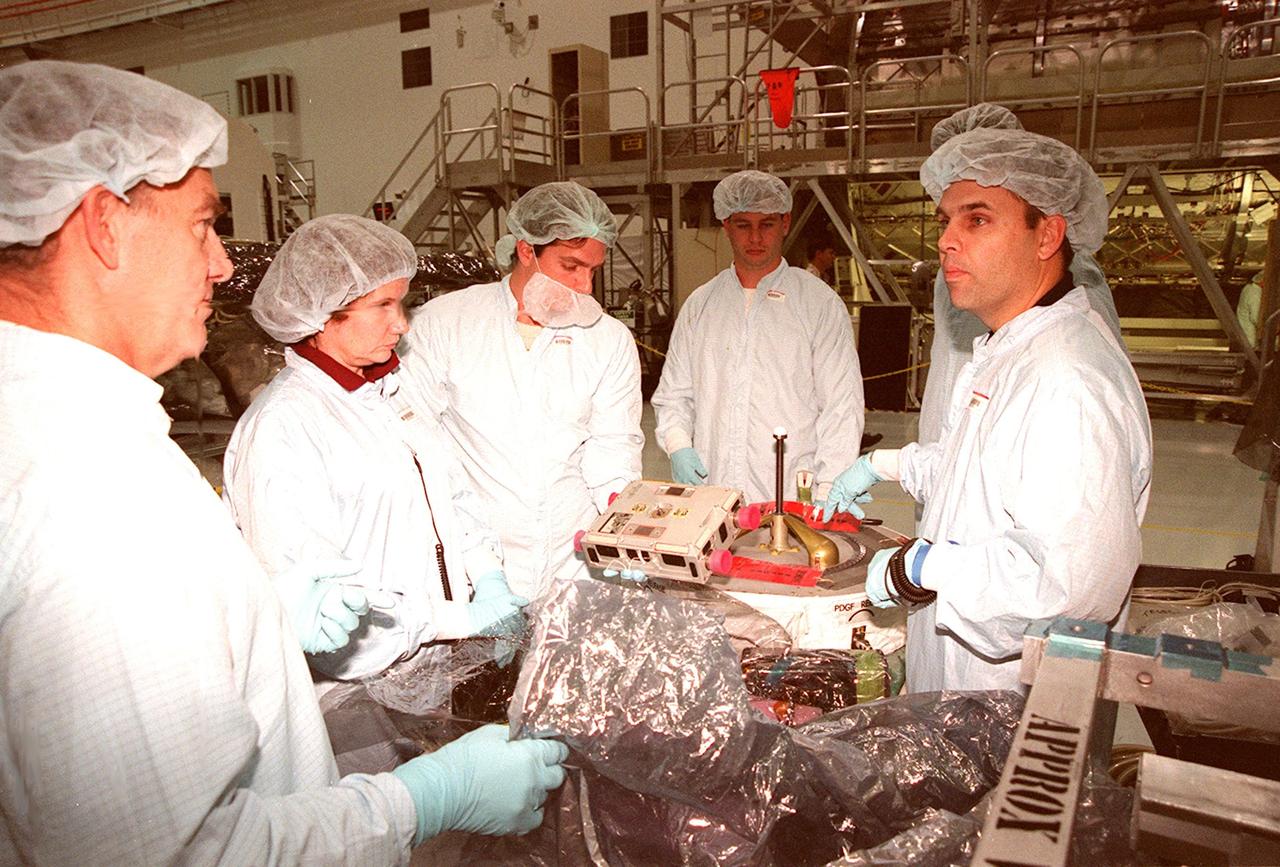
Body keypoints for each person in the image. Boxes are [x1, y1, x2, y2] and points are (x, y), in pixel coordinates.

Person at [0, 60, 566, 863]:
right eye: (202, 224)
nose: (224, 264)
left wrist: (262, 606)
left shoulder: (68, 438)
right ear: (104, 224)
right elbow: (184, 851)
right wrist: (423, 799)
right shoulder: (94, 500)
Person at [822, 103, 1153, 693]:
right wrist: (889, 464)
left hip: (1005, 696)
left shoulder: (1065, 378)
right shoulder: (1013, 345)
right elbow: (981, 476)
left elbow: (1067, 585)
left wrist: (922, 566)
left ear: (1048, 233)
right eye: (946, 220)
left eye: (977, 220)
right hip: (962, 679)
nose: (946, 241)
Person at [223, 214, 527, 681]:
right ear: (322, 313)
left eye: (402, 304)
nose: (402, 325)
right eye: (383, 305)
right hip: (359, 682)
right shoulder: (283, 426)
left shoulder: (388, 391)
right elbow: (318, 596)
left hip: (431, 655)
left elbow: (450, 497)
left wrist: (487, 576)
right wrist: (454, 620)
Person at [398, 181, 643, 599]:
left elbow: (613, 448)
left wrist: (625, 530)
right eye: (571, 266)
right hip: (478, 567)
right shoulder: (446, 324)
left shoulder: (607, 339)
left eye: (593, 270)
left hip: (575, 563)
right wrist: (479, 568)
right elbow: (416, 443)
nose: (585, 285)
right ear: (527, 250)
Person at [651, 169, 864, 504]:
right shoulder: (701, 304)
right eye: (742, 224)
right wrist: (678, 444)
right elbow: (675, 394)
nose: (755, 238)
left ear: (785, 223)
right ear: (725, 225)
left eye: (766, 224)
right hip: (713, 493)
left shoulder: (817, 303)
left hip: (791, 495)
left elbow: (841, 406)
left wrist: (829, 487)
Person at [1237, 271, 1262, 349]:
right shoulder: (1255, 294)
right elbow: (1256, 317)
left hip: (1244, 334)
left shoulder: (1248, 288)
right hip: (1250, 339)